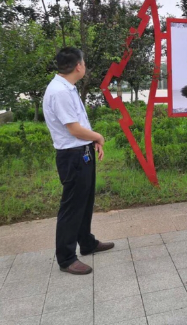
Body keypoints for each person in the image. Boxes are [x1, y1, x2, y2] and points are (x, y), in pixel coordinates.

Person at [43, 47, 114, 275]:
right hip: (72, 156)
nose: (85, 66)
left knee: (85, 201)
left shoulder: (68, 87)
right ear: (78, 66)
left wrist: (92, 141)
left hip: (82, 152)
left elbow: (79, 124)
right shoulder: (60, 92)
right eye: (84, 63)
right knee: (72, 207)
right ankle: (66, 258)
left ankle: (87, 242)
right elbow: (73, 129)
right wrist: (98, 136)